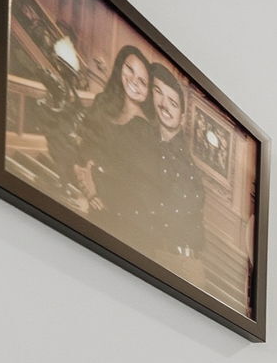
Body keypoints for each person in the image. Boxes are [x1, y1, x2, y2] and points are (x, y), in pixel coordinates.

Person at [70, 44, 159, 230]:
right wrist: (83, 179)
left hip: (114, 215)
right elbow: (81, 143)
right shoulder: (102, 101)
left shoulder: (145, 130)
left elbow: (133, 182)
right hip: (80, 191)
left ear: (148, 93)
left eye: (143, 82)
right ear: (120, 66)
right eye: (129, 69)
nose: (134, 81)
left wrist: (94, 191)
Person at [142, 62, 206, 266]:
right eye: (158, 92)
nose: (164, 104)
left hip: (179, 263)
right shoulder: (145, 139)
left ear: (183, 117)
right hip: (150, 251)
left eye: (173, 102)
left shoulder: (184, 163)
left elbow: (179, 207)